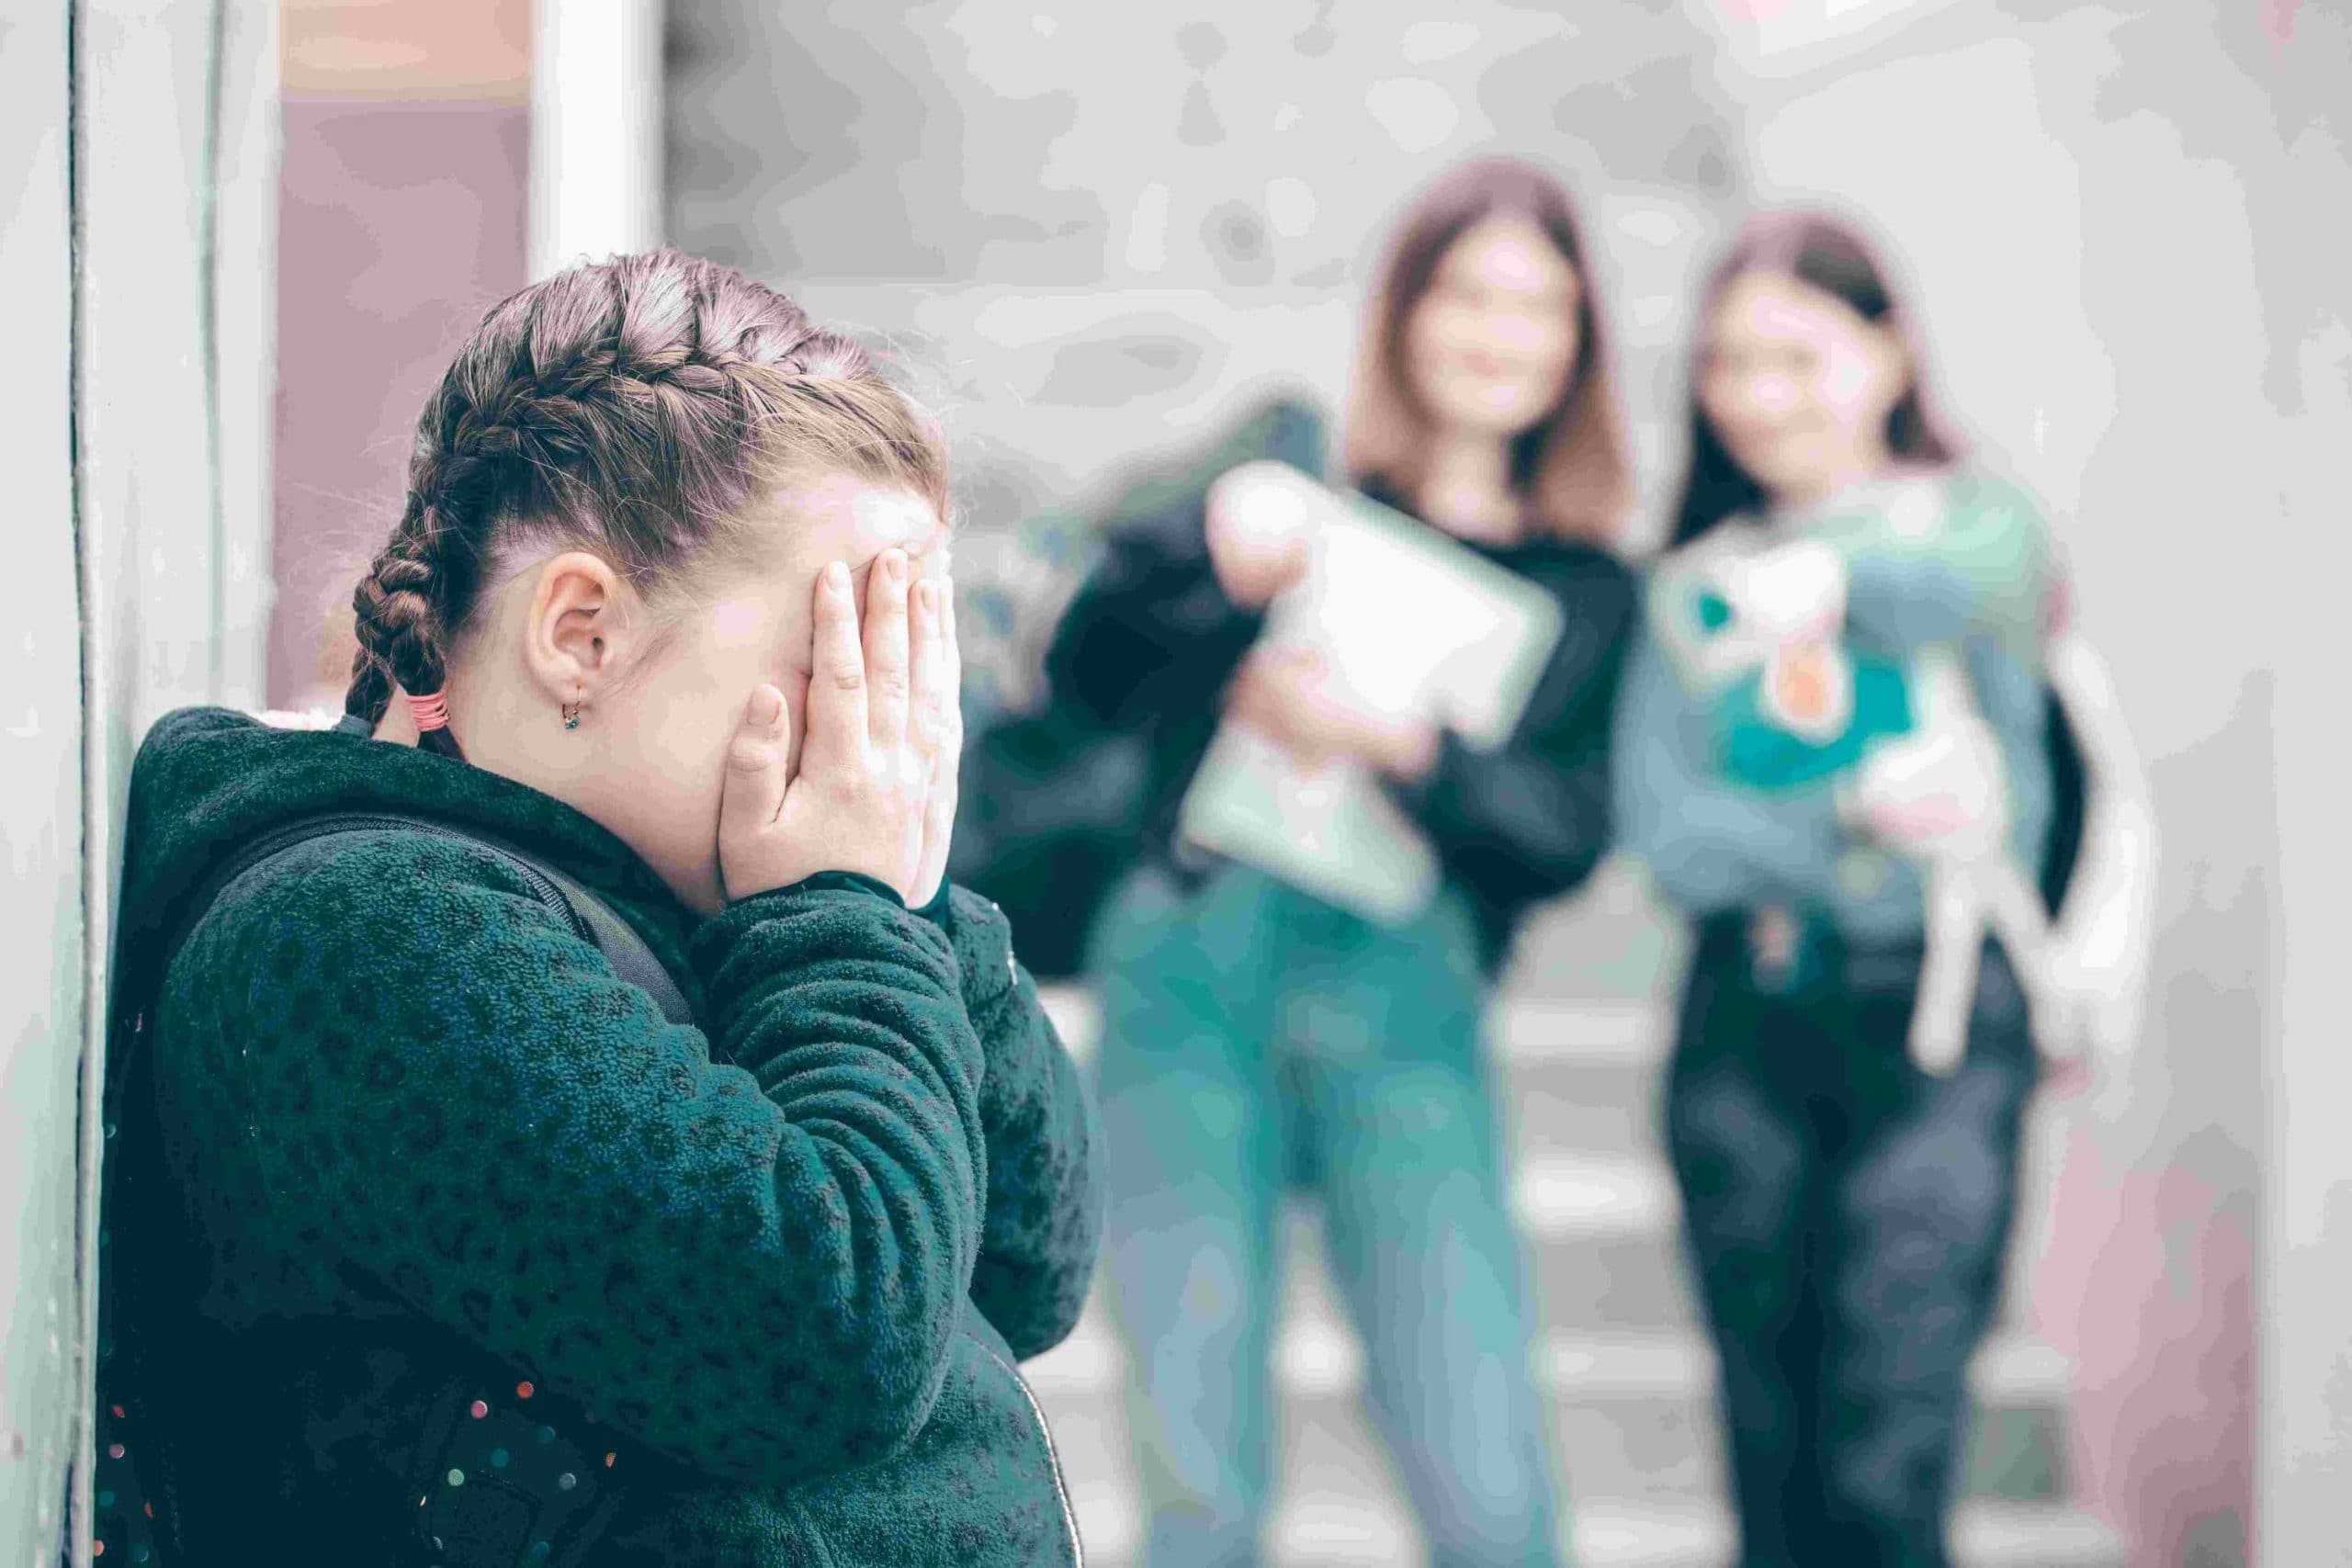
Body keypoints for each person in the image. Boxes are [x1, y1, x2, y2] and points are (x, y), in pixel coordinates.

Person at [98, 250, 1102, 1568]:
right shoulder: (357, 935)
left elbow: (1026, 1258)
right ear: (580, 633)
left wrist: (901, 897)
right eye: (845, 659)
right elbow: (833, 1340)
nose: (886, 737)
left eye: (912, 663)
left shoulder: (713, 894)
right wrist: (847, 907)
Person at [1043, 157, 1640, 1568]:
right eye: (1468, 293)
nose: (1500, 332)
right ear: (1406, 313)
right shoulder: (1287, 479)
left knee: (1485, 1467)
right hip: (1190, 962)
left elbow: (1564, 840)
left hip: (1406, 997)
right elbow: (1086, 670)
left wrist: (1399, 743)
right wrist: (1209, 547)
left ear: (1578, 344)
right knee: (1201, 1476)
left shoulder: (1590, 585)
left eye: (1538, 305)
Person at [1611, 209, 2120, 1567]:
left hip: (1945, 1026)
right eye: (1729, 364)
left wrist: (1824, 573)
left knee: (1891, 1457)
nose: (1759, 395)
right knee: (1771, 1467)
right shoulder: (1691, 587)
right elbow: (1668, 839)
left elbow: (1990, 588)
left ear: (1889, 356)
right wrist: (1848, 821)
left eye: (1798, 356)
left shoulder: (1978, 531)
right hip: (1746, 1029)